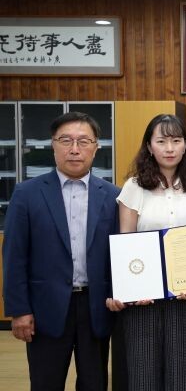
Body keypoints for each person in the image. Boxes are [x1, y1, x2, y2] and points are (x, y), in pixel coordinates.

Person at [2, 111, 119, 391]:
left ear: (96, 147)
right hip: (45, 309)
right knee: (45, 383)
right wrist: (19, 310)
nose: (75, 149)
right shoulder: (27, 193)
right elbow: (14, 256)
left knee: (94, 384)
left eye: (83, 141)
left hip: (95, 307)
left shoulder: (114, 195)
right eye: (66, 140)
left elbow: (118, 254)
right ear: (53, 145)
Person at [105, 114, 186, 391]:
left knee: (181, 375)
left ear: (185, 145)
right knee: (143, 375)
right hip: (143, 295)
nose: (169, 148)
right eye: (162, 141)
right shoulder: (134, 187)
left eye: (176, 141)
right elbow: (127, 241)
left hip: (185, 294)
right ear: (149, 146)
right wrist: (133, 288)